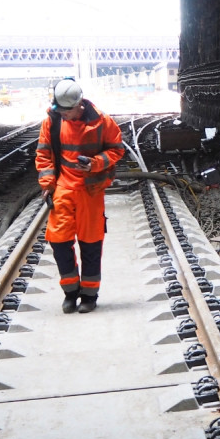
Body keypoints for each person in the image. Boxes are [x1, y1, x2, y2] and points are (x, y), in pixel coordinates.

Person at [35, 78, 124, 314]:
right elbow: (43, 155)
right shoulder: (52, 122)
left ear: (80, 104)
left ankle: (89, 296)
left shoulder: (103, 122)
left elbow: (117, 150)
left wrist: (94, 164)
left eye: (67, 111)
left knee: (91, 244)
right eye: (59, 110)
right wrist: (47, 184)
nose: (63, 115)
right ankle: (70, 293)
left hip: (90, 192)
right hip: (63, 190)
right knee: (59, 242)